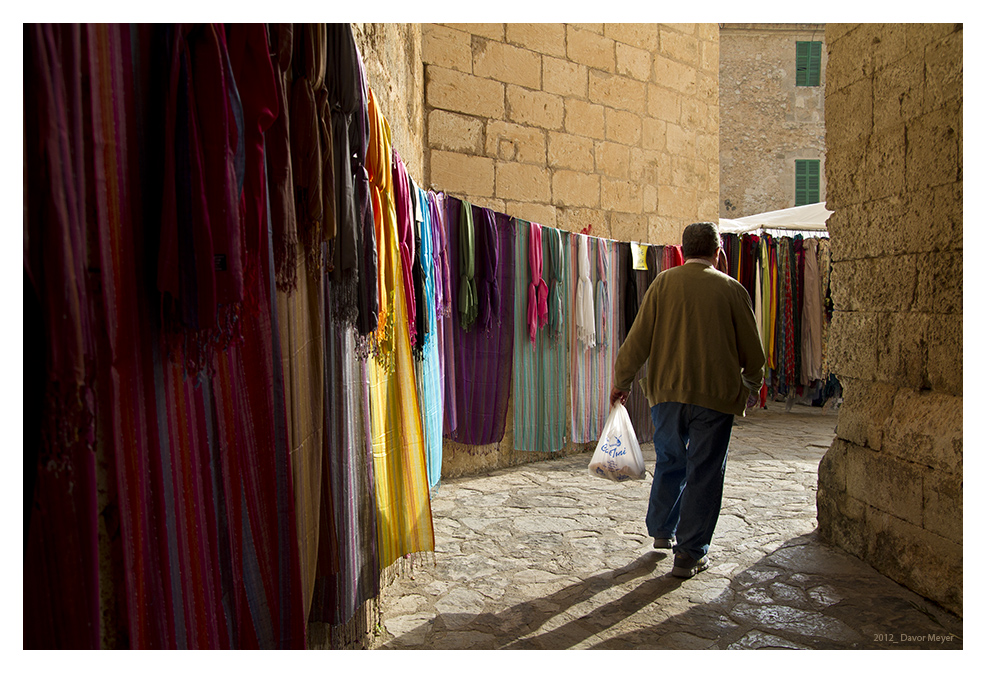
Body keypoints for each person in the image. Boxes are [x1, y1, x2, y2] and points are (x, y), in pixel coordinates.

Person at [610, 222, 765, 579]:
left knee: (670, 459)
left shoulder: (663, 284)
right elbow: (753, 354)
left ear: (684, 249)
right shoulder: (732, 290)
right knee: (705, 472)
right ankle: (690, 553)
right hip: (715, 396)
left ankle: (663, 530)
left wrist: (623, 381)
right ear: (718, 250)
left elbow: (638, 339)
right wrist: (749, 387)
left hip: (666, 394)